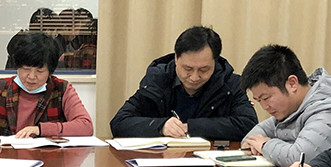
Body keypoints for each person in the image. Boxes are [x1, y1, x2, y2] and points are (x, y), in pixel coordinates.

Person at [109, 25, 255, 140]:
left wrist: (191, 127)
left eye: (204, 69)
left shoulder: (230, 84)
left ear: (215, 62)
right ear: (176, 59)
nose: (194, 77)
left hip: (211, 162)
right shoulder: (157, 80)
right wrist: (161, 126)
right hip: (162, 161)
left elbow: (248, 124)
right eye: (188, 69)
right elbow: (119, 123)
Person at [239, 44, 331, 167]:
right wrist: (256, 144)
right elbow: (251, 139)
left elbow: (300, 158)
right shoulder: (290, 110)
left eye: (266, 98)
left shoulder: (327, 111)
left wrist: (264, 145)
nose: (264, 107)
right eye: (258, 100)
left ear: (292, 83)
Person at [0, 31, 93, 138]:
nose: (32, 76)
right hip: (6, 153)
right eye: (26, 69)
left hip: (48, 154)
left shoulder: (61, 89)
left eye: (40, 71)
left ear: (50, 72)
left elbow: (86, 126)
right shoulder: (2, 87)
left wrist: (41, 130)